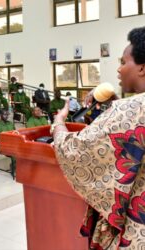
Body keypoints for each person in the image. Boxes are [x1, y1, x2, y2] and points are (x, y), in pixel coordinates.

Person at [51, 26, 145, 249]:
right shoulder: (124, 109)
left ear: (141, 68)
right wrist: (112, 106)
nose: (119, 70)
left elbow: (74, 150)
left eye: (123, 62)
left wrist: (59, 122)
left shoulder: (128, 110)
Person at [0, 109, 16, 178]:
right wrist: (5, 135)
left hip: (14, 144)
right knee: (16, 153)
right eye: (4, 115)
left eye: (7, 115)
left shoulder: (10, 123)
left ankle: (17, 167)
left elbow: (16, 132)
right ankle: (13, 167)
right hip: (4, 146)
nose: (6, 116)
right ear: (0, 115)